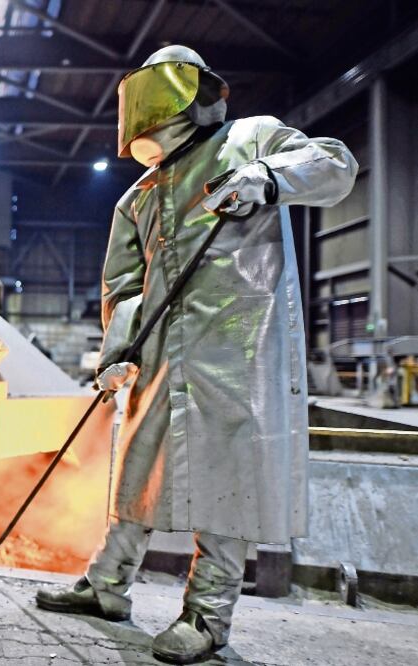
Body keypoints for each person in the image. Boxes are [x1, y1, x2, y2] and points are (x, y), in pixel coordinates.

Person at [35, 45, 358, 664]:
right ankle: (105, 587)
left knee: (226, 481)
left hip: (239, 350)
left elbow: (335, 165)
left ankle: (208, 617)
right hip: (162, 357)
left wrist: (268, 179)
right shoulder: (137, 198)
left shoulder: (253, 140)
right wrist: (117, 352)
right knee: (137, 471)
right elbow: (124, 287)